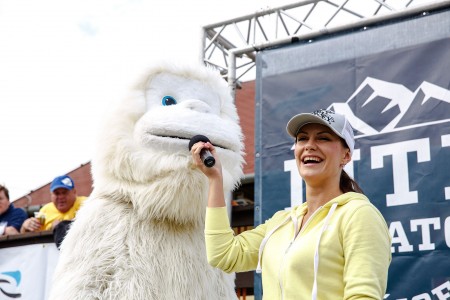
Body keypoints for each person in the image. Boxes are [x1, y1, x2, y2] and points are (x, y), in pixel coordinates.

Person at [191, 109, 392, 299]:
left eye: (323, 138)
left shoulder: (359, 215)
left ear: (346, 155)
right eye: (303, 138)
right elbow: (224, 255)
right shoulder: (282, 222)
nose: (309, 145)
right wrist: (215, 180)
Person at [20, 175, 87, 233]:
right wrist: (25, 226)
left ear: (74, 192)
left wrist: (62, 225)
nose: (61, 197)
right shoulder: (45, 211)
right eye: (57, 193)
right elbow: (33, 233)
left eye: (64, 192)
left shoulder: (86, 204)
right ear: (51, 195)